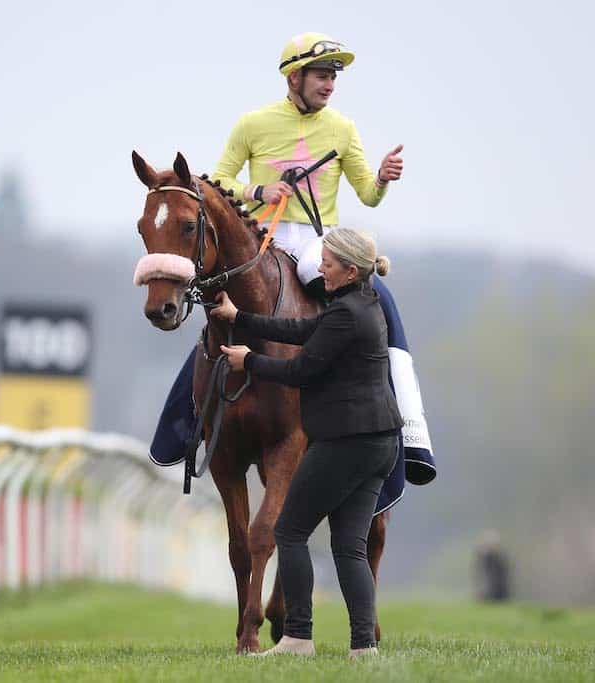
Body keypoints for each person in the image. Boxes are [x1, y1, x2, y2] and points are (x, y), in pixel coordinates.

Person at [150, 33, 435, 495]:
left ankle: (411, 428)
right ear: (294, 77)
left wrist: (381, 179)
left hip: (318, 243)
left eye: (334, 77)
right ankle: (184, 421)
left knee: (379, 299)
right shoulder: (253, 123)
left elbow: (367, 193)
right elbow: (218, 178)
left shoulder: (343, 129)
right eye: (322, 76)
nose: (330, 85)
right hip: (259, 237)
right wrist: (259, 192)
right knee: (216, 314)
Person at [213, 228, 400, 658]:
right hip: (377, 443)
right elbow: (299, 329)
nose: (320, 269)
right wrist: (239, 318)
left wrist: (250, 360)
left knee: (289, 530)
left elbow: (300, 372)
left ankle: (297, 637)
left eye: (328, 264)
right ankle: (363, 648)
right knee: (349, 546)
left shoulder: (345, 315)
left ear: (350, 270)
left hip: (345, 444)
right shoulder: (362, 305)